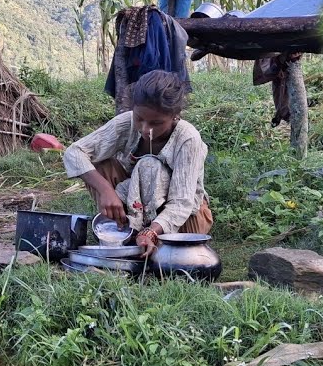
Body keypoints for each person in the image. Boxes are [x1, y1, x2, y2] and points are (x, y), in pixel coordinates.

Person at [63, 70, 212, 258]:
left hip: (185, 220)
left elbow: (181, 204)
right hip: (136, 203)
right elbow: (74, 153)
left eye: (156, 123)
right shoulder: (126, 124)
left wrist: (151, 231)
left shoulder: (187, 138)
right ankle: (122, 228)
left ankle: (145, 238)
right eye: (139, 118)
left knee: (150, 165)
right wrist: (106, 190)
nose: (145, 129)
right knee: (100, 164)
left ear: (175, 115)